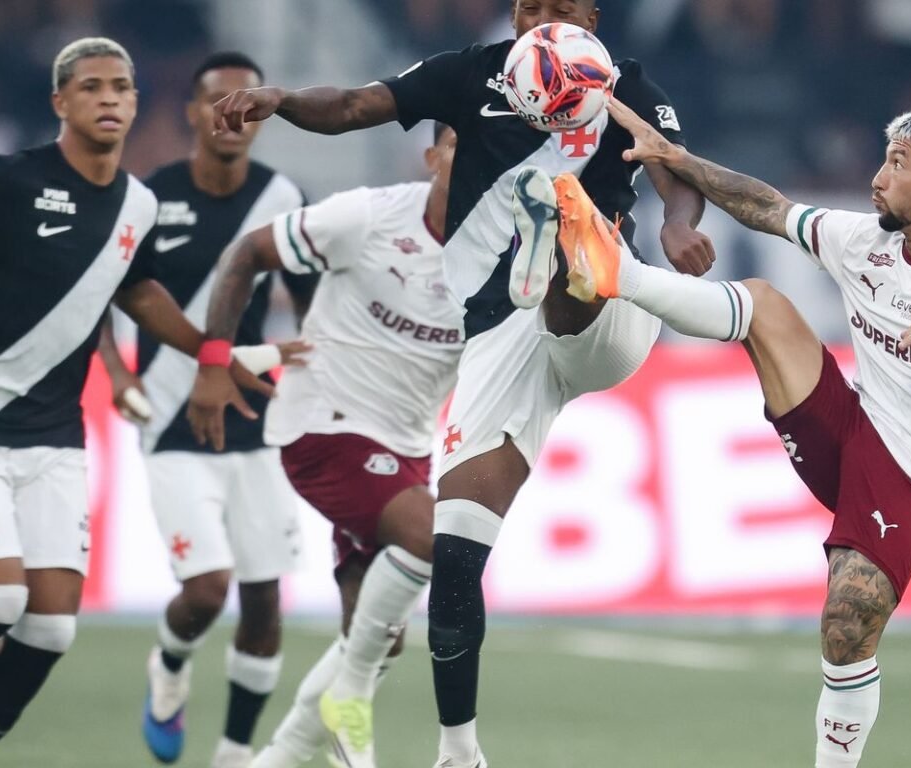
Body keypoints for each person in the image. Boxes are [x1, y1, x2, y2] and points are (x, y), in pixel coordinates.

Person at [197, 2, 714, 763]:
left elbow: (672, 170)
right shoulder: (471, 76)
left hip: (607, 312)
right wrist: (281, 101)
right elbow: (351, 106)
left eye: (561, 8)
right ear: (513, 13)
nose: (543, 19)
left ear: (592, 16)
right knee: (457, 544)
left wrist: (676, 224)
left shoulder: (626, 83)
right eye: (530, 7)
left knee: (587, 269)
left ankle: (569, 237)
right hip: (499, 337)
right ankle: (457, 749)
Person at [0, 37, 274, 768]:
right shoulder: (4, 181)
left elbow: (138, 289)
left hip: (54, 436)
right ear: (60, 103)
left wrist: (212, 351)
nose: (109, 99)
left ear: (136, 103)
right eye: (93, 87)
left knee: (49, 631)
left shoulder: (137, 202)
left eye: (122, 88)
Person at [599, 98, 911, 766]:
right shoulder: (864, 239)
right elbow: (766, 206)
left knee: (848, 620)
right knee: (763, 303)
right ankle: (623, 277)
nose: (877, 177)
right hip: (847, 426)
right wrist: (677, 160)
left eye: (897, 163)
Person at [192, 123, 464, 768]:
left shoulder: (504, 253)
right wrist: (214, 361)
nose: (477, 158)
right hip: (323, 425)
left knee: (375, 636)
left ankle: (278, 759)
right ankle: (351, 710)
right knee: (431, 541)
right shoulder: (367, 216)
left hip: (404, 446)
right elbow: (245, 255)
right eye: (461, 144)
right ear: (431, 157)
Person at [95, 50, 314, 768]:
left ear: (263, 113)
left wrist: (317, 359)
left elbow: (316, 300)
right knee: (205, 590)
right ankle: (170, 660)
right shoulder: (147, 197)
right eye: (216, 100)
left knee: (262, 600)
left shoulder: (285, 196)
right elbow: (95, 289)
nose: (232, 114)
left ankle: (233, 753)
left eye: (247, 101)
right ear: (191, 113)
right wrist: (118, 373)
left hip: (254, 413)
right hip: (169, 414)